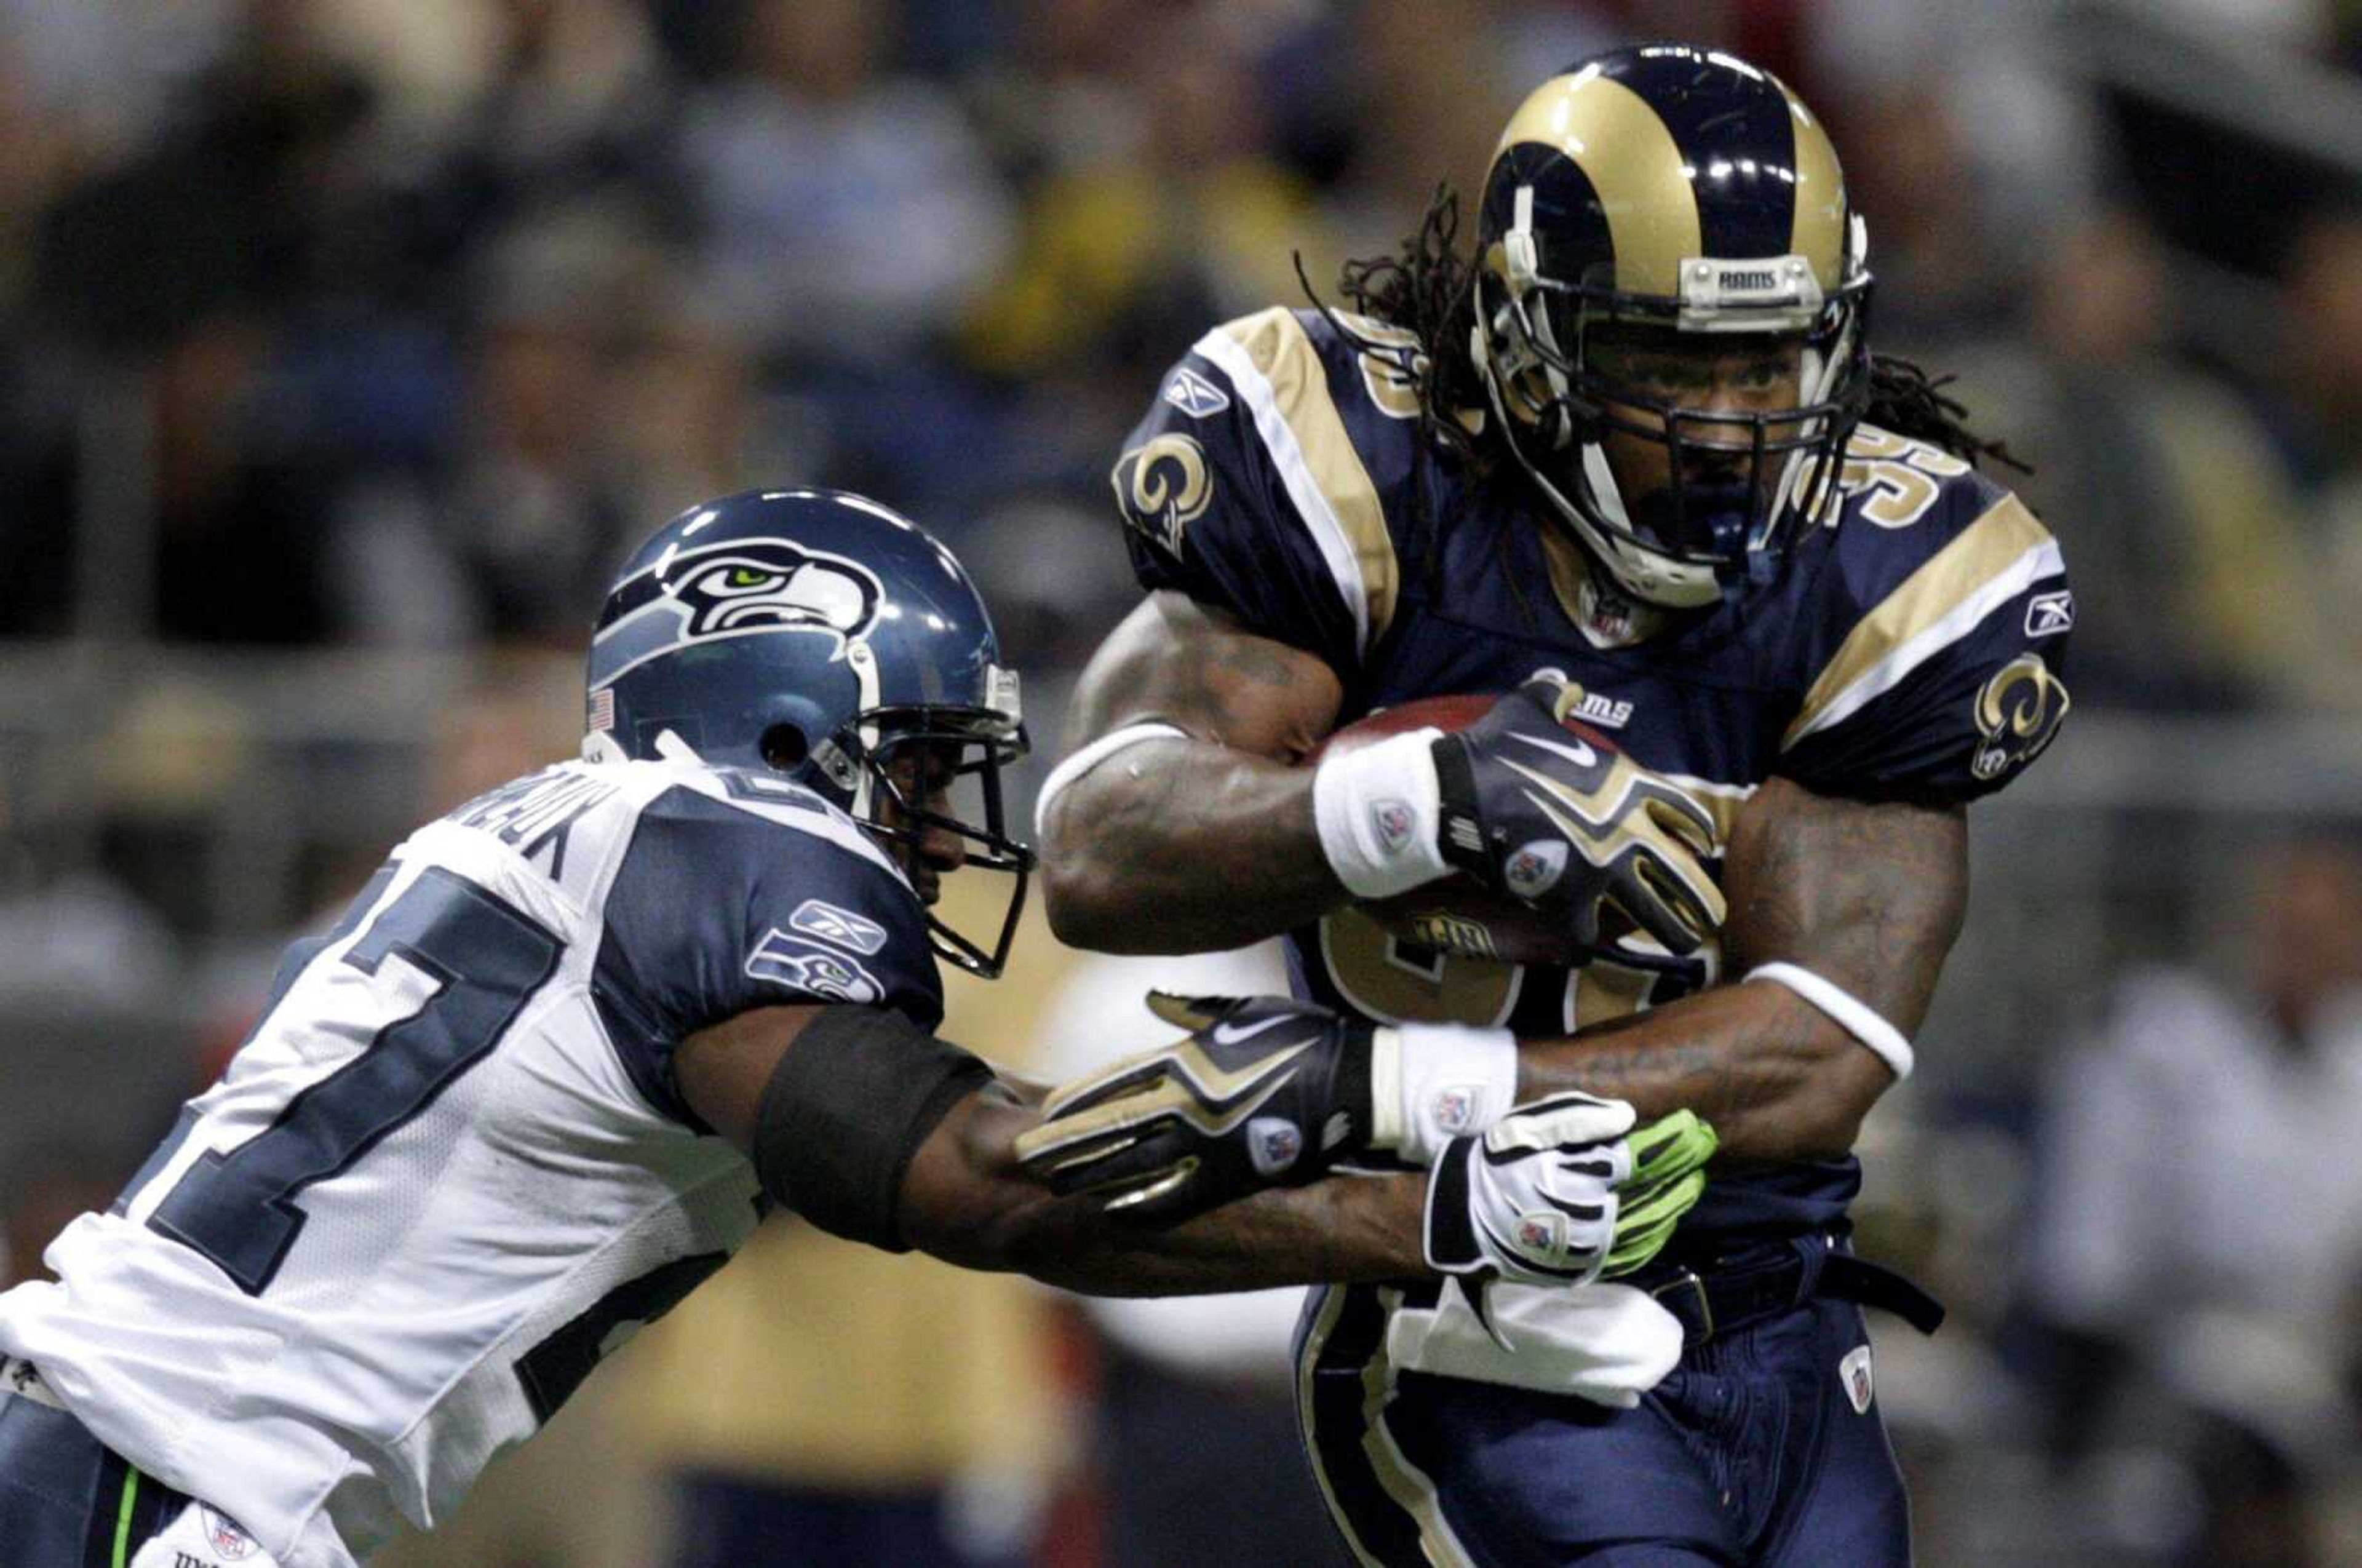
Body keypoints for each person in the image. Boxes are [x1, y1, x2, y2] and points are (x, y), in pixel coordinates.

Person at [0, 487, 1712, 1568]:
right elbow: (978, 1175)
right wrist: (1414, 1110)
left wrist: (1420, 1223)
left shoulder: (570, 831)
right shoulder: (729, 853)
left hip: (125, 1461)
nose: (946, 825)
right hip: (155, 1489)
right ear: (800, 715)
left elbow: (1001, 1194)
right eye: (918, 764)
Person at [1025, 43, 2072, 1567]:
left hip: (1783, 1332)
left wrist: (1386, 1092)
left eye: (1766, 357)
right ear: (1529, 345)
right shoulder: (1359, 475)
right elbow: (1100, 848)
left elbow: (1815, 1055)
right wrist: (1416, 795)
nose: (1728, 423)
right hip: (1473, 1312)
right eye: (1673, 361)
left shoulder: (1898, 584)